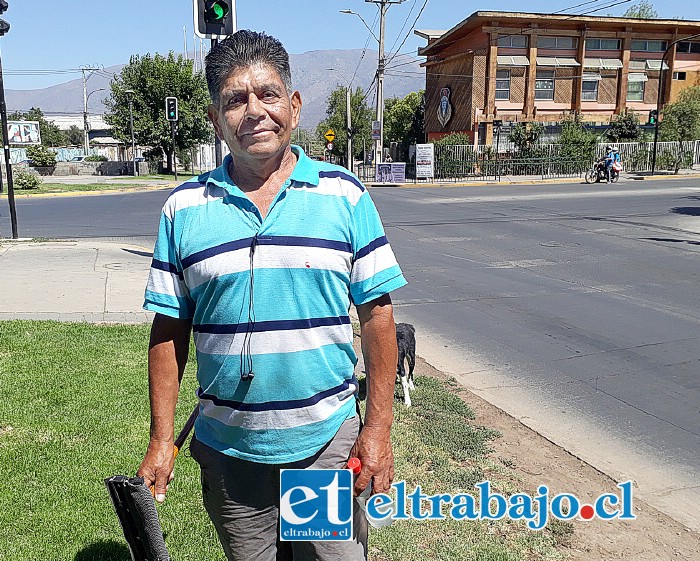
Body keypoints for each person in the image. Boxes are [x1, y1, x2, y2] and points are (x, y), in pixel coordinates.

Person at [138, 30, 407, 561]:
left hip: (323, 446)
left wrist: (376, 429)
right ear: (216, 119)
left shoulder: (343, 196)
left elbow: (378, 317)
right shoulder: (183, 209)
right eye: (235, 99)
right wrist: (161, 438)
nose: (254, 111)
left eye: (268, 94)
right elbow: (168, 331)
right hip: (230, 451)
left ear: (295, 105)